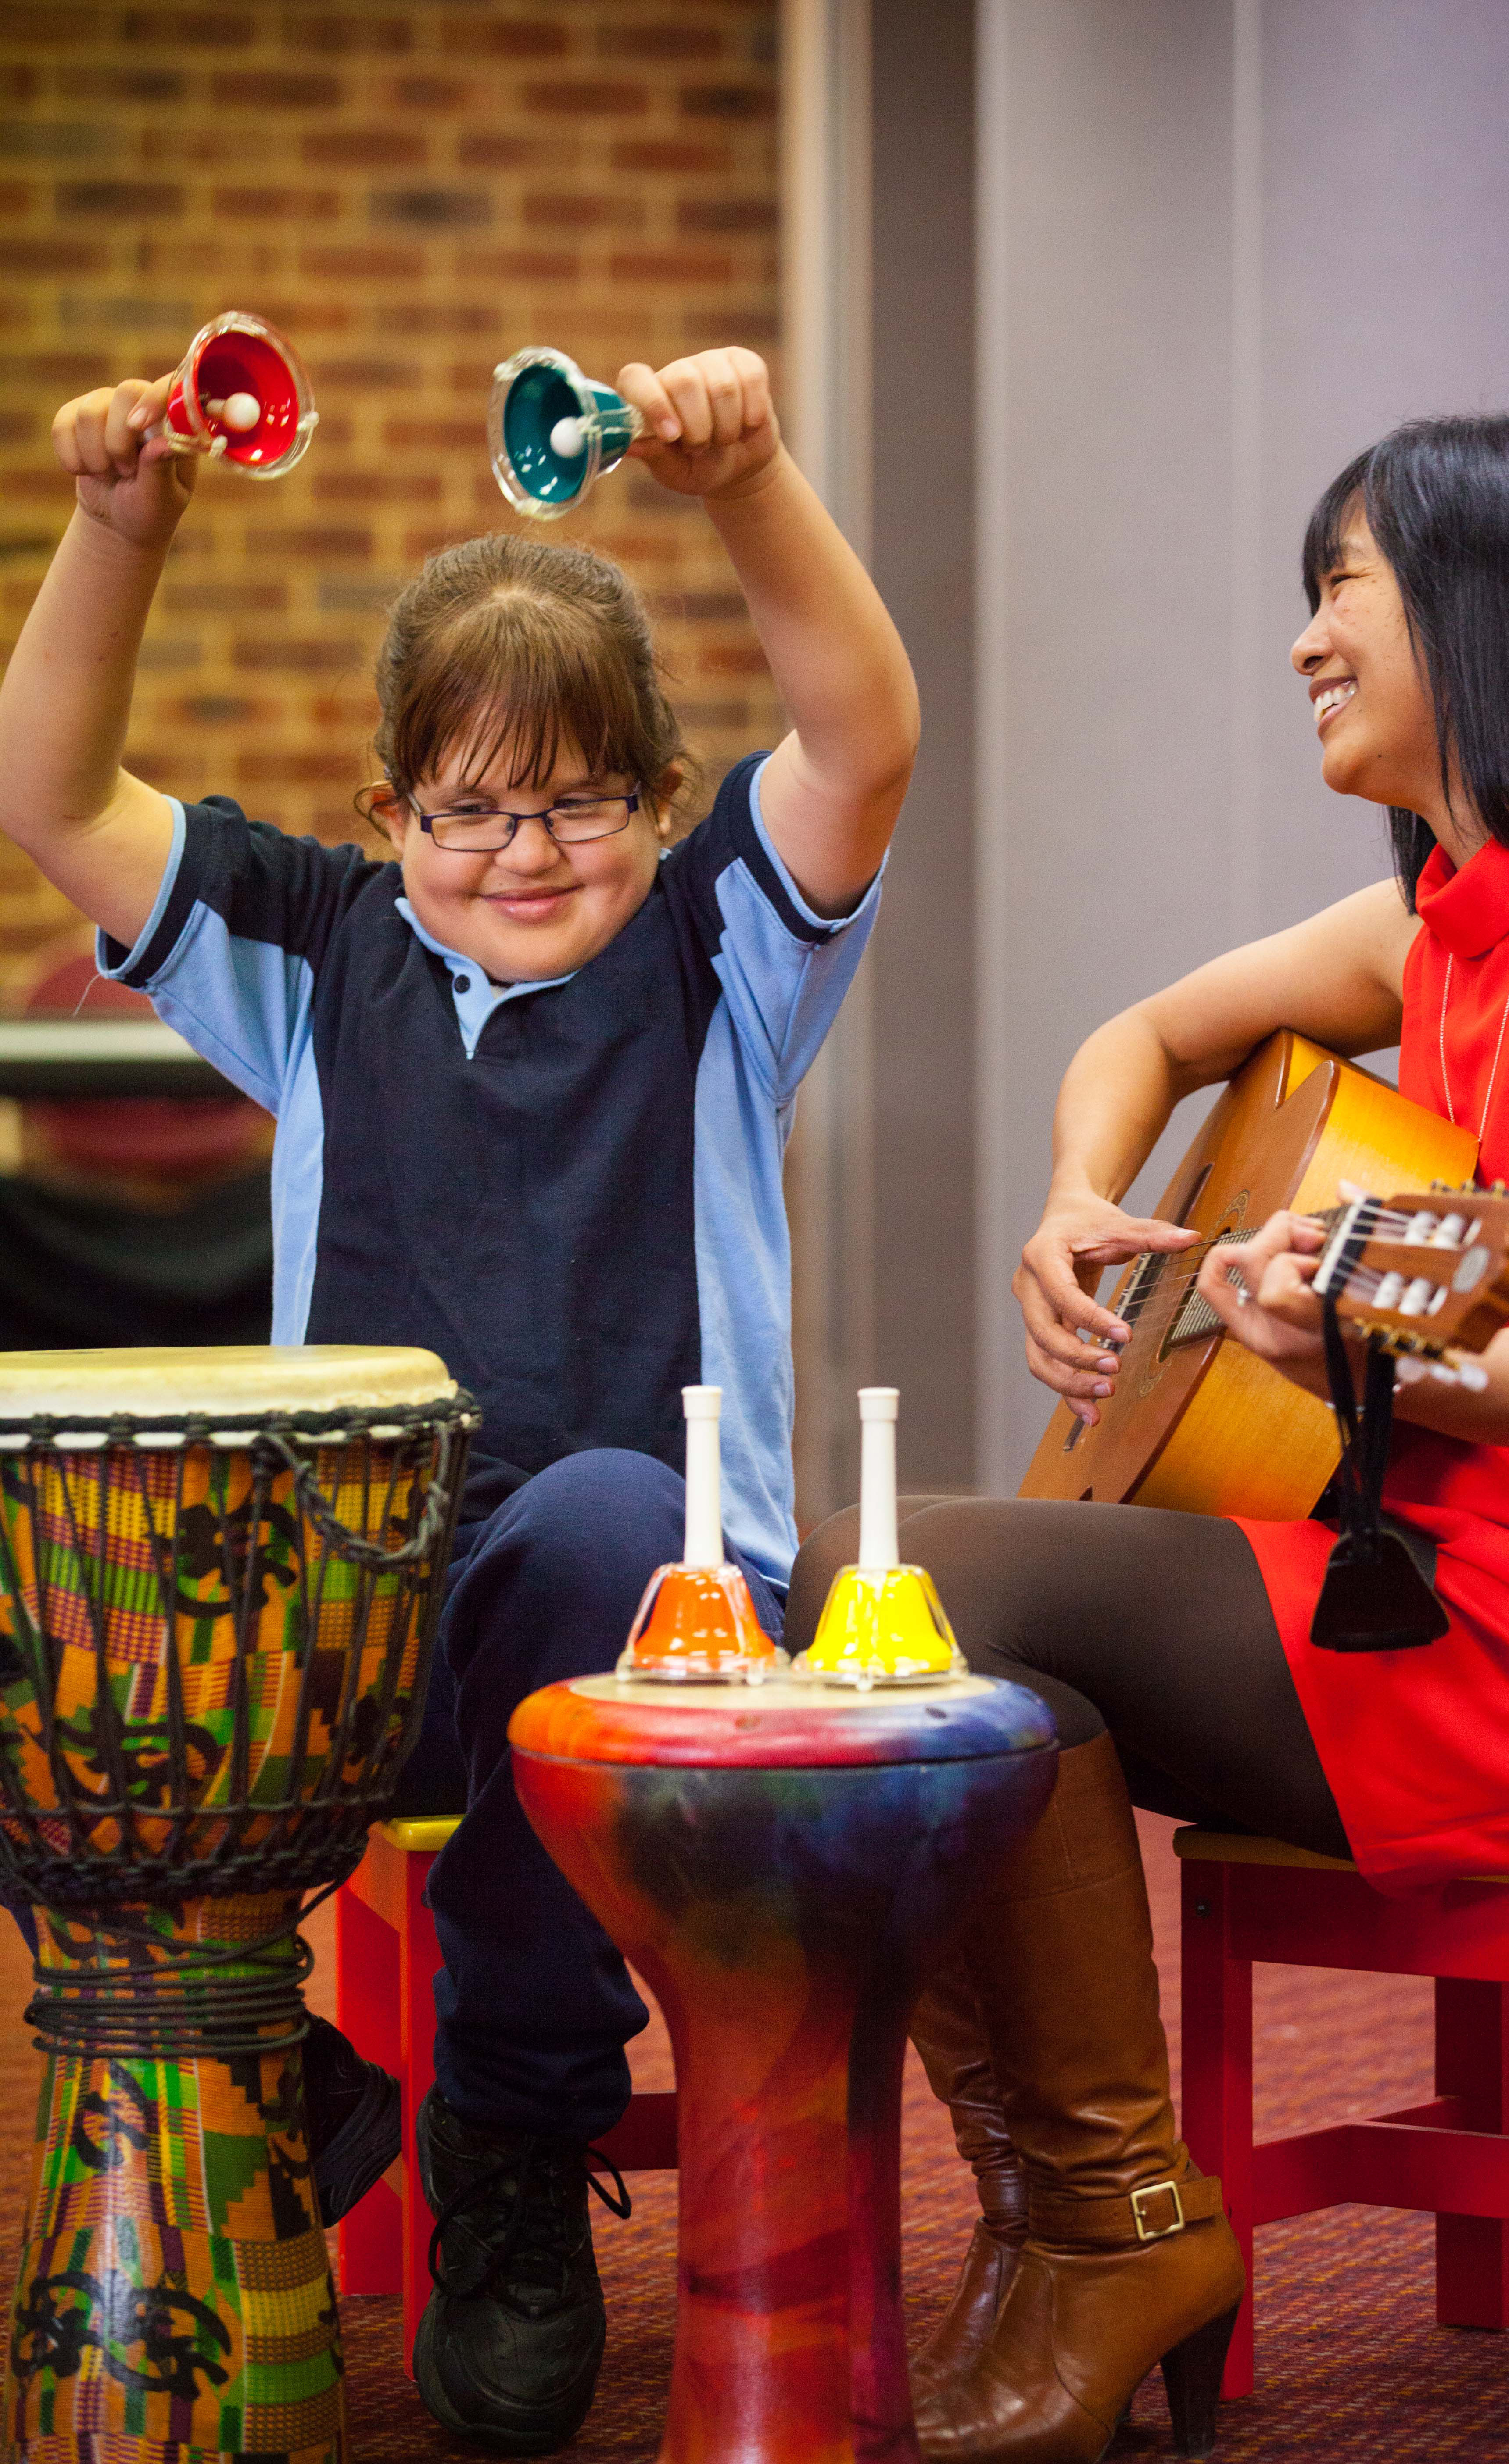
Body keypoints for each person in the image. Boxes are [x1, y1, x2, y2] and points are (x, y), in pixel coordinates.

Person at [0, 346, 918, 2453]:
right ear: (388, 815)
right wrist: (121, 527)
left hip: (655, 1624)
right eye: (469, 809)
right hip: (356, 1630)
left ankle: (511, 2131)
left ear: (663, 805)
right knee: (63, 1613)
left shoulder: (724, 954)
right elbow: (49, 791)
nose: (524, 850)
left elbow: (865, 731)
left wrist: (750, 480)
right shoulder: (314, 953)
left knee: (599, 1516)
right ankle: (280, 2067)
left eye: (580, 800)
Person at [789, 410, 1509, 2463]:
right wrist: (1081, 1199)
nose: (1304, 642)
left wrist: (1370, 1364)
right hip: (1414, 1586)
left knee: (897, 1583)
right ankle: (1083, 2221)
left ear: (1496, 601)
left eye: (1341, 586)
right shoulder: (1440, 921)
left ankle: (1107, 2231)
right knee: (941, 1647)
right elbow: (1148, 1036)